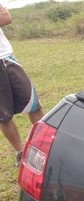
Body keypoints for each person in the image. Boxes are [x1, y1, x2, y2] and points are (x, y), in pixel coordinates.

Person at [0, 3, 43, 165]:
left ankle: (45, 145)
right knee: (3, 116)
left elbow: (5, 18)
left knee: (33, 105)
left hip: (7, 57)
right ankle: (20, 152)